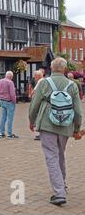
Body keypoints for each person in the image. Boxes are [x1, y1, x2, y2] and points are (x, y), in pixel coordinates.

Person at [29, 58, 82, 206]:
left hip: (47, 125)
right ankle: (62, 185)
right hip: (65, 126)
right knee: (60, 155)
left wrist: (32, 121)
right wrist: (76, 129)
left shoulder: (44, 83)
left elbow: (35, 104)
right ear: (65, 69)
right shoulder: (72, 85)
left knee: (51, 157)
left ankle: (59, 193)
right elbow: (78, 111)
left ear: (51, 68)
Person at [0, 71, 18, 139]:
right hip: (9, 101)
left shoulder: (0, 81)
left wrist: (0, 98)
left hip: (2, 101)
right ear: (11, 77)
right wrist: (14, 101)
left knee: (3, 117)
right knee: (10, 118)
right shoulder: (10, 82)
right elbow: (12, 94)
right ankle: (9, 134)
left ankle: (1, 133)